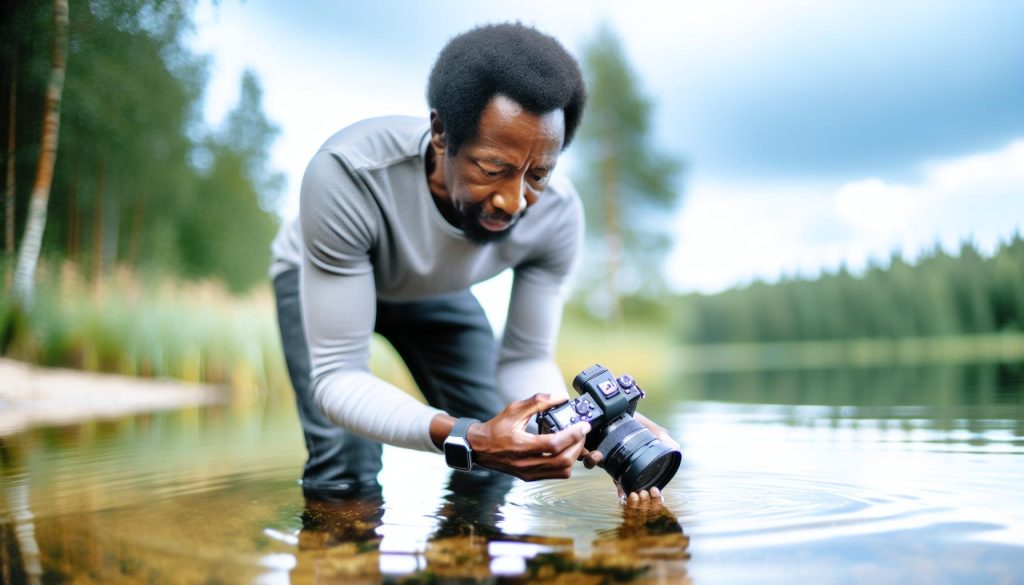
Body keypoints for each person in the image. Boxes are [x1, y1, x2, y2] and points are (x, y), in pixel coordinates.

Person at [270, 22, 678, 498]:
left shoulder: (559, 215)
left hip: (434, 291)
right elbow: (338, 375)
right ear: (441, 134)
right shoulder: (349, 173)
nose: (514, 201)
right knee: (347, 461)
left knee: (508, 443)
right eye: (493, 169)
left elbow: (526, 356)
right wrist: (468, 438)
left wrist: (586, 425)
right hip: (323, 280)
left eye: (537, 175)